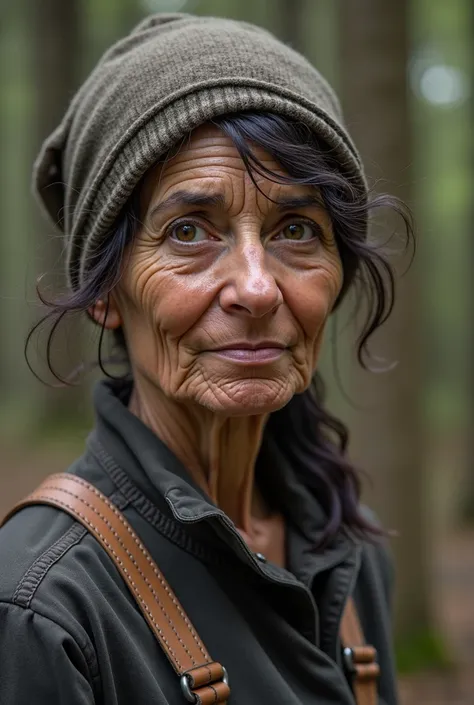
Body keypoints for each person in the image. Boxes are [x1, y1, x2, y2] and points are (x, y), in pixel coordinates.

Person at [0, 12, 411, 705]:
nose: (256, 286)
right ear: (106, 294)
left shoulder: (348, 553)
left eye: (295, 229)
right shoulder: (42, 608)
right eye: (189, 230)